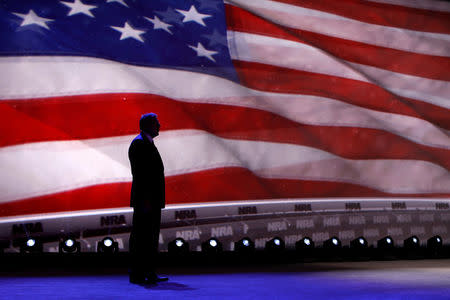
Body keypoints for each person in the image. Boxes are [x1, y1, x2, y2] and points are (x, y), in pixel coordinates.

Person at [128, 113, 168, 284]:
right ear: (148, 125)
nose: (159, 126)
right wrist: (145, 200)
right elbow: (140, 174)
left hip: (152, 200)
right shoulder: (139, 144)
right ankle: (138, 274)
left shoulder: (148, 143)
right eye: (156, 123)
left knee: (150, 237)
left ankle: (149, 272)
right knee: (141, 237)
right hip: (146, 201)